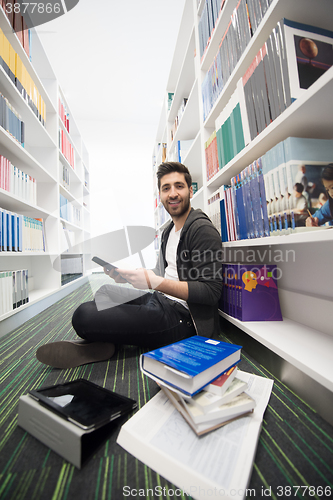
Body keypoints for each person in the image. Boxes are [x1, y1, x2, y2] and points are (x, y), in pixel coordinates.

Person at [36, 162, 223, 368]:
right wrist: (130, 275)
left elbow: (211, 292)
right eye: (166, 188)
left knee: (83, 315)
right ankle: (111, 342)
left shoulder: (201, 229)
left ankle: (109, 343)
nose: (173, 193)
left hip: (182, 319)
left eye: (179, 186)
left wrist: (154, 282)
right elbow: (163, 273)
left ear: (190, 190)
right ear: (160, 195)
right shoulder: (169, 230)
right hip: (160, 300)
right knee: (105, 292)